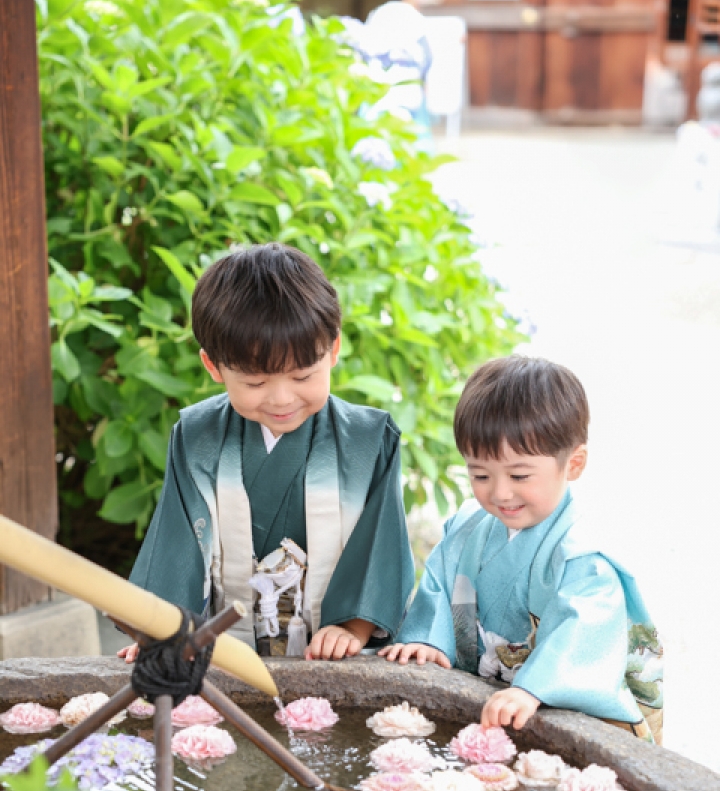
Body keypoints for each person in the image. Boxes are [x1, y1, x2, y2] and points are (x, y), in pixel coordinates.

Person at [120, 243, 414, 662]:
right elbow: (178, 540)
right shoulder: (197, 436)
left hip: (333, 644)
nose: (281, 399)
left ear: (333, 350)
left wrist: (353, 626)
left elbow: (379, 547)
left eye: (303, 376)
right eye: (255, 383)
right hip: (227, 645)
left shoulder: (368, 439)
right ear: (214, 367)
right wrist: (163, 628)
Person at [380, 355, 663, 742]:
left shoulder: (583, 557)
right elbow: (438, 588)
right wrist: (427, 641)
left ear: (574, 463)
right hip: (488, 705)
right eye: (480, 474)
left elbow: (583, 631)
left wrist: (533, 688)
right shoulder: (467, 528)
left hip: (542, 706)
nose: (499, 493)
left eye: (519, 475)